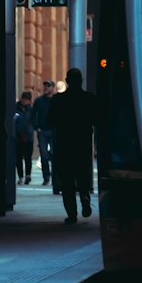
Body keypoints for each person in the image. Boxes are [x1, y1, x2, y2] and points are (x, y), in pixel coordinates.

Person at [50, 68, 96, 225]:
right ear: (81, 80)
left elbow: (49, 121)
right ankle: (85, 198)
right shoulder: (89, 99)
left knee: (67, 181)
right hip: (82, 144)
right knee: (83, 176)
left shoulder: (58, 100)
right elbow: (98, 120)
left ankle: (72, 213)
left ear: (67, 81)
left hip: (64, 145)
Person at [32, 79, 56, 189]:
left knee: (55, 154)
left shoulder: (56, 100)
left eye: (48, 86)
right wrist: (36, 127)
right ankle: (46, 178)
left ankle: (55, 178)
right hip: (43, 131)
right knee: (44, 155)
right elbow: (33, 114)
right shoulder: (39, 101)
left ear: (53, 88)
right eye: (45, 86)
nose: (46, 88)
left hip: (54, 130)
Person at [13, 91, 35, 185]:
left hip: (28, 137)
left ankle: (28, 175)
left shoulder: (32, 110)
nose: (24, 100)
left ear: (30, 100)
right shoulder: (15, 108)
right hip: (18, 136)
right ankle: (21, 176)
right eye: (23, 98)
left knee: (28, 157)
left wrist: (31, 130)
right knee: (18, 158)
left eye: (26, 99)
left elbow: (34, 122)